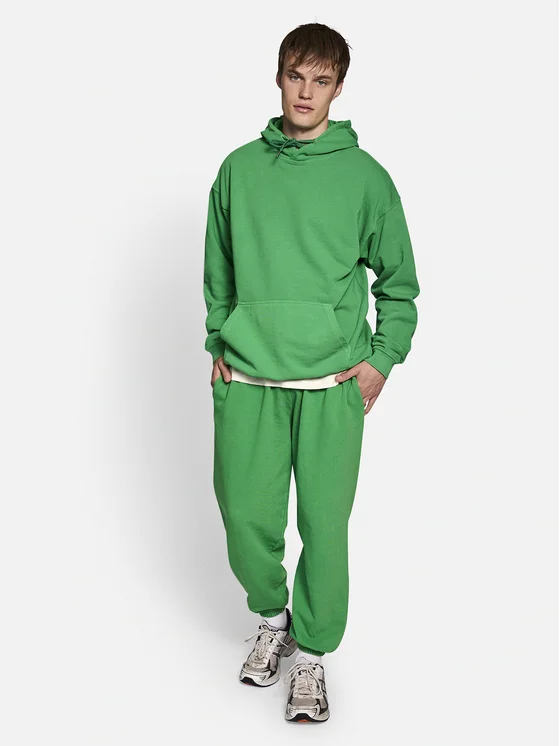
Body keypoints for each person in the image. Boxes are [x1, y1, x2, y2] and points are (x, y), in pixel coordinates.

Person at [202, 22, 420, 724]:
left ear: (339, 88)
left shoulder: (366, 179)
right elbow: (219, 272)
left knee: (325, 528)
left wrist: (381, 361)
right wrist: (220, 339)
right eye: (296, 75)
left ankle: (314, 655)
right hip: (249, 378)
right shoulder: (239, 170)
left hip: (331, 387)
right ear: (278, 77)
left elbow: (400, 287)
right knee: (244, 518)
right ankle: (274, 619)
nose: (306, 91)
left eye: (321, 80)